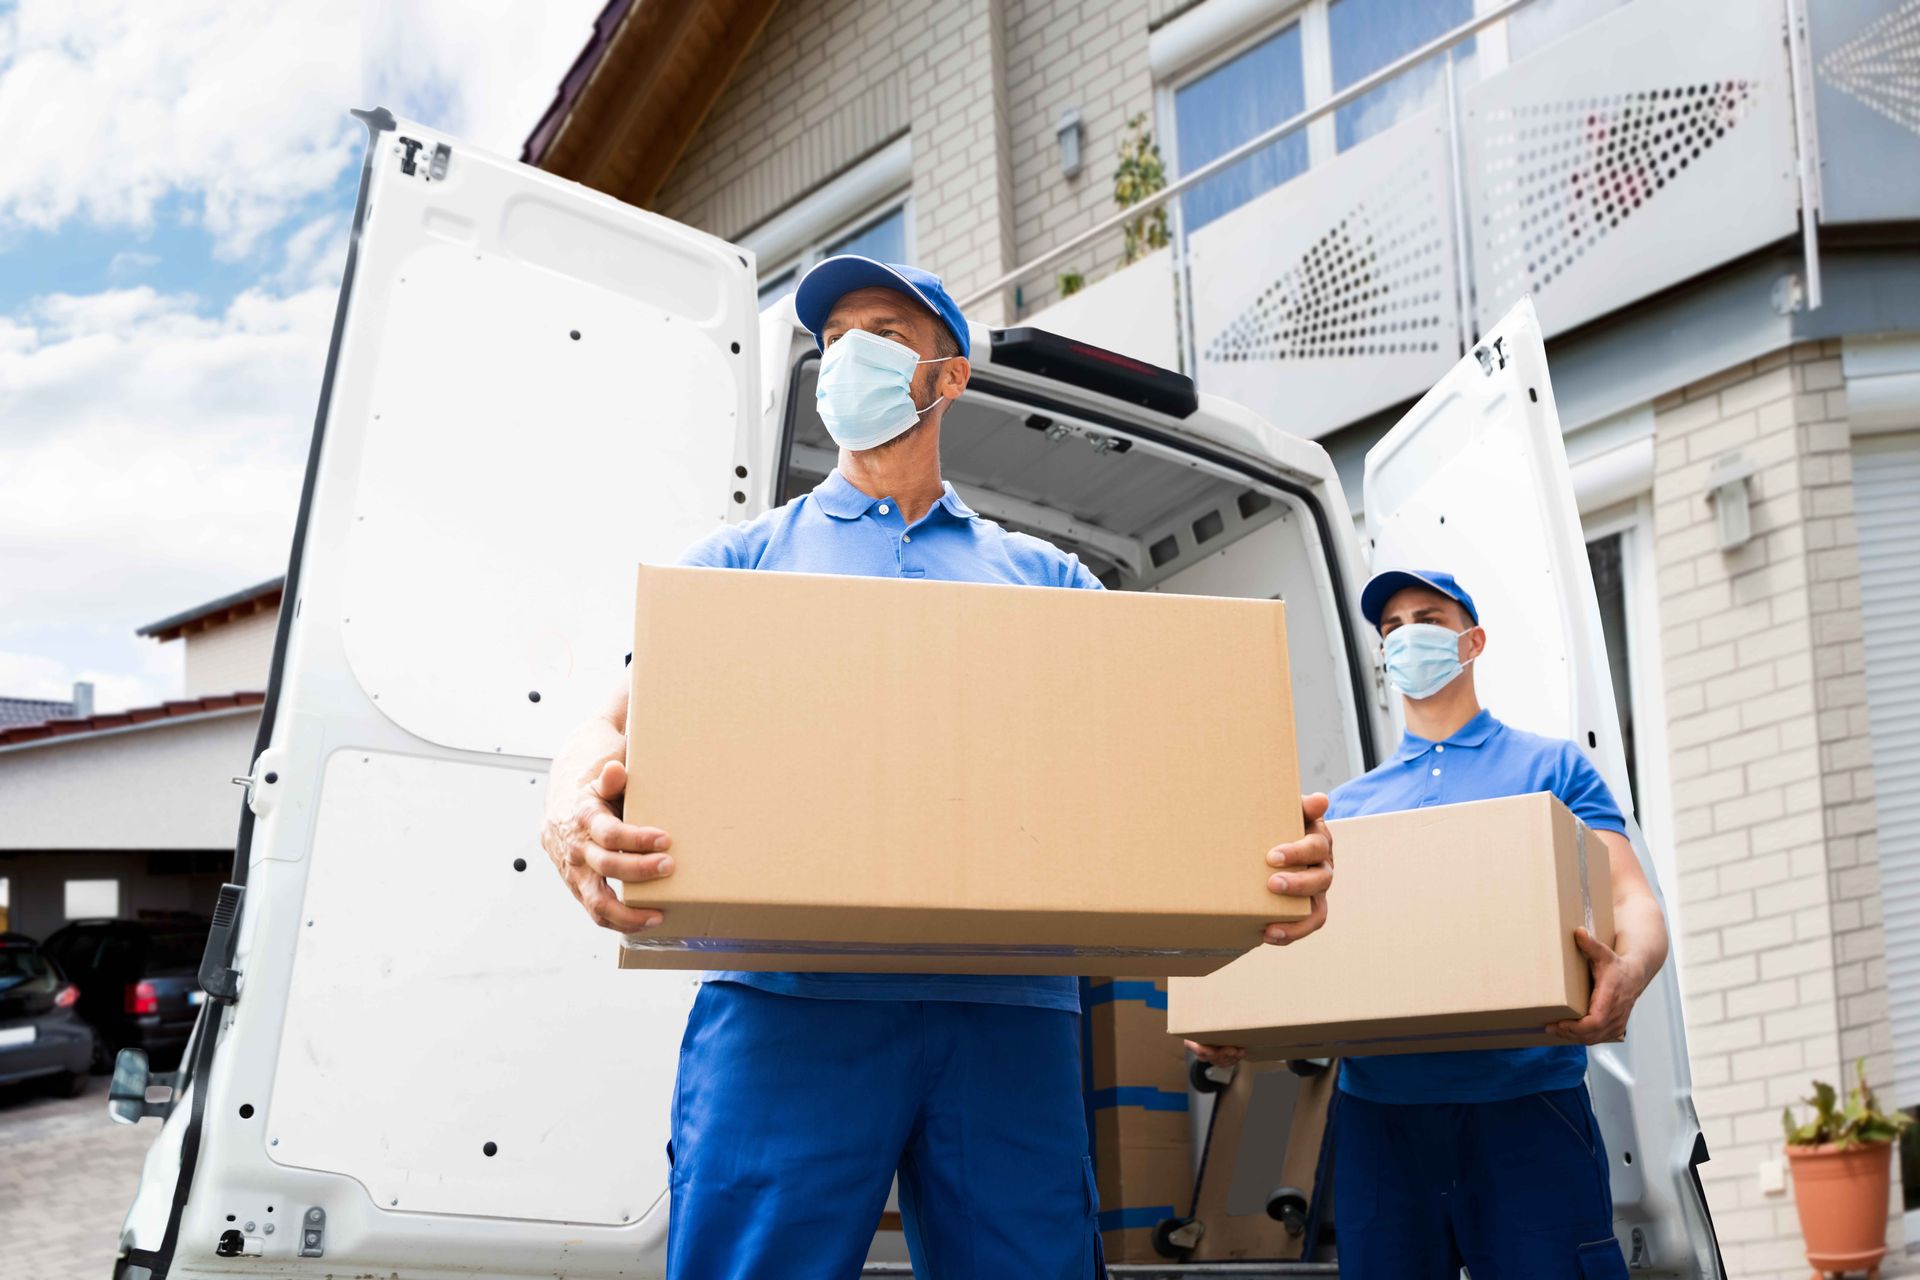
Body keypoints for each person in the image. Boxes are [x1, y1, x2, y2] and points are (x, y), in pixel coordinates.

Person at [539, 253, 1336, 1280]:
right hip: (789, 999)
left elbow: (1160, 763)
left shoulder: (1044, 578)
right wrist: (569, 799)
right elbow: (609, 720)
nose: (847, 357)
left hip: (1007, 1011)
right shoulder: (743, 563)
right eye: (835, 342)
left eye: (882, 334)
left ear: (947, 376)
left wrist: (1264, 850)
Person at [1188, 568, 1669, 1280]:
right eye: (1391, 628)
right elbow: (1285, 948)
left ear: (1471, 642)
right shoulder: (1345, 810)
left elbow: (1633, 900)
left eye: (1428, 619)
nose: (1408, 635)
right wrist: (1226, 1019)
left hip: (1527, 1104)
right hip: (1383, 1119)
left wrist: (1631, 970)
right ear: (1381, 656)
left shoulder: (1551, 769)